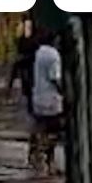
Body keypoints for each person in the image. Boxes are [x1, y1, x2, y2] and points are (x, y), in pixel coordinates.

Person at [29, 28, 64, 174]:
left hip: (38, 97)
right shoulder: (53, 55)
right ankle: (48, 160)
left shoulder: (39, 52)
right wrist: (64, 92)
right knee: (53, 132)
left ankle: (35, 155)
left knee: (40, 127)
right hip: (51, 100)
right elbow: (55, 78)